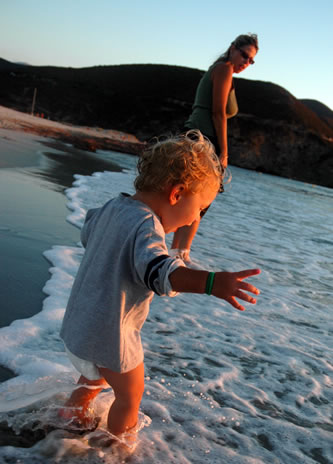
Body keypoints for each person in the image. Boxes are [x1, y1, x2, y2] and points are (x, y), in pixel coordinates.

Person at [59, 130, 261, 440]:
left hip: (79, 324)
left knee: (95, 375)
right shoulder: (146, 226)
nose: (194, 219)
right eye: (199, 210)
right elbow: (161, 272)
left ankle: (71, 414)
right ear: (177, 193)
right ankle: (118, 447)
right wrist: (211, 282)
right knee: (130, 394)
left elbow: (88, 234)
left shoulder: (111, 207)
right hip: (111, 333)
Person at [171, 33, 259, 262]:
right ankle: (180, 256)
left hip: (198, 135)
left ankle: (176, 254)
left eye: (251, 61)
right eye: (244, 55)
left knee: (191, 197)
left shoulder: (221, 69)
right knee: (200, 200)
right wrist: (224, 151)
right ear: (232, 48)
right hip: (203, 138)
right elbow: (219, 113)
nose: (246, 63)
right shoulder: (224, 69)